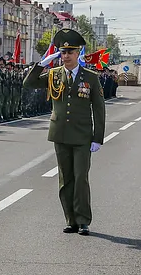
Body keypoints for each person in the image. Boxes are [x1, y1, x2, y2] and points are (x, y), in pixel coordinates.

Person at [23, 29, 105, 236]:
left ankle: (83, 219)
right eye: (63, 52)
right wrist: (41, 64)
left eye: (70, 52)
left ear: (78, 53)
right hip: (60, 134)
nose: (66, 56)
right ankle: (71, 220)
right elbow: (29, 83)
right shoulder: (53, 74)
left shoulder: (91, 78)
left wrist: (98, 137)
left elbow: (99, 109)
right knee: (65, 179)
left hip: (82, 136)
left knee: (80, 178)